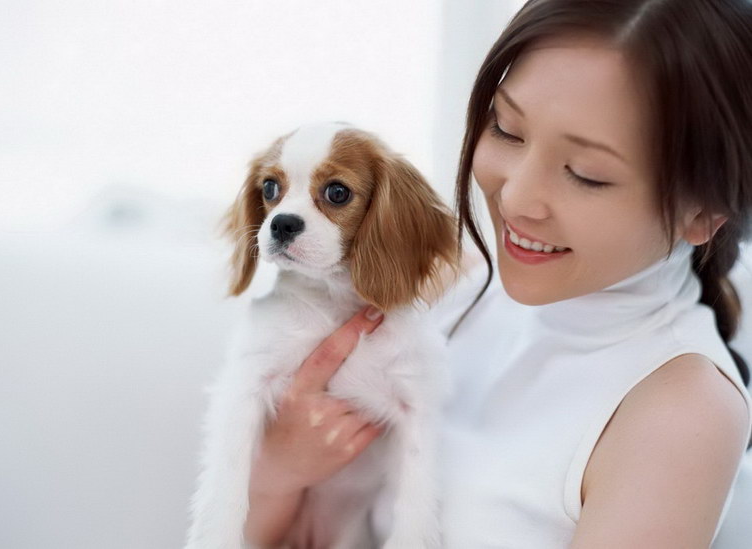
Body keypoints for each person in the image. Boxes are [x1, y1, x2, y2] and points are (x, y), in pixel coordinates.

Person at [244, 0, 752, 546]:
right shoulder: (450, 285)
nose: (515, 198)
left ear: (704, 211)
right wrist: (280, 468)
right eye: (507, 130)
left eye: (586, 174)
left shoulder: (682, 414)